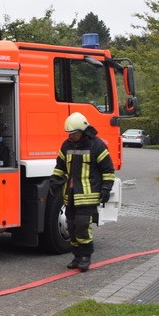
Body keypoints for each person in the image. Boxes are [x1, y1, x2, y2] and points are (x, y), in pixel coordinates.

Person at [49, 112, 115, 272]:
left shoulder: (97, 145)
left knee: (82, 226)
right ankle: (77, 256)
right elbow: (60, 166)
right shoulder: (66, 146)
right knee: (71, 227)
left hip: (88, 195)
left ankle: (86, 256)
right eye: (69, 134)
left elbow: (108, 170)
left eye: (73, 133)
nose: (70, 137)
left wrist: (106, 189)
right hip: (70, 195)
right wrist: (54, 180)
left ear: (82, 130)